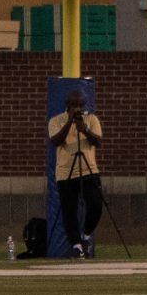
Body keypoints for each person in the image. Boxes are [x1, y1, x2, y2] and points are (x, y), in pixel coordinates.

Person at [48, 87, 105, 258]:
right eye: (74, 105)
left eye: (80, 105)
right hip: (66, 173)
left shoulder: (92, 119)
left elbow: (98, 142)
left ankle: (86, 235)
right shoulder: (56, 120)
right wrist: (69, 122)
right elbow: (56, 141)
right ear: (67, 105)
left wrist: (85, 130)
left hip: (89, 170)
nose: (77, 109)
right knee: (69, 210)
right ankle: (76, 245)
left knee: (95, 205)